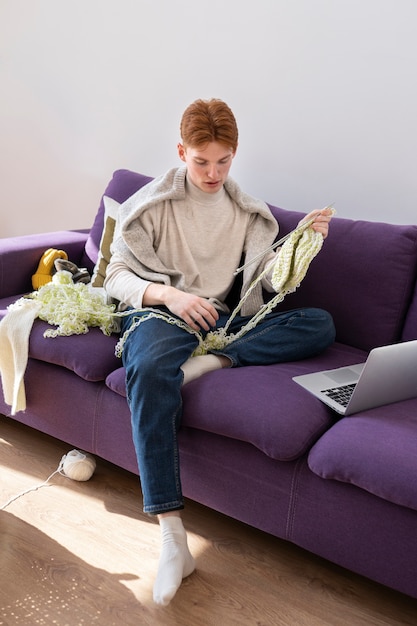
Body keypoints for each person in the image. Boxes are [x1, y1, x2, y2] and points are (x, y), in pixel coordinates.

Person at [104, 98, 335, 605]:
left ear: (234, 154)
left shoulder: (248, 214)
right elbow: (117, 277)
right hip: (166, 310)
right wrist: (171, 294)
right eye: (201, 161)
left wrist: (301, 246)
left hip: (223, 321)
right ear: (182, 151)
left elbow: (266, 284)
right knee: (145, 367)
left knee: (319, 324)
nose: (212, 173)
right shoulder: (152, 205)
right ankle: (171, 535)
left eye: (223, 161)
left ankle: (212, 362)